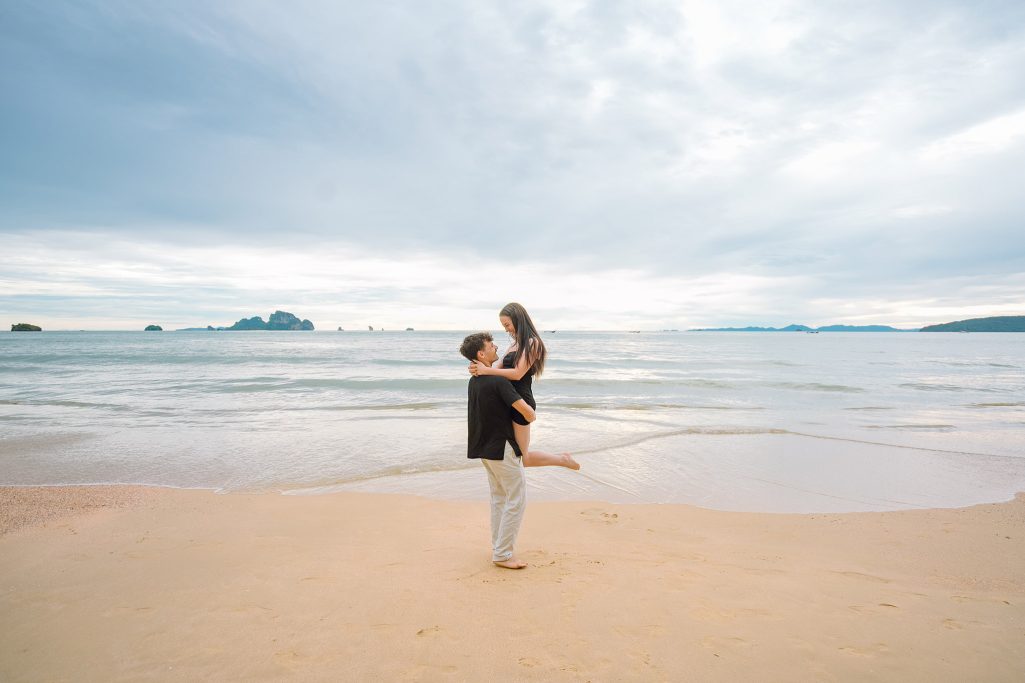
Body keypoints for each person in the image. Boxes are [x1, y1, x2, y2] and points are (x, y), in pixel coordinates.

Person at [469, 303, 579, 470]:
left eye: (507, 325)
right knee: (514, 454)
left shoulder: (533, 343)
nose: (506, 329)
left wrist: (486, 371)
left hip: (521, 403)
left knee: (524, 458)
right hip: (508, 401)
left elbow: (518, 374)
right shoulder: (513, 345)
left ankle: (562, 460)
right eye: (503, 326)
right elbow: (495, 369)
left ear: (518, 319)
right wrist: (477, 368)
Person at [460, 331, 535, 570]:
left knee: (499, 499)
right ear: (481, 354)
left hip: (483, 447)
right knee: (516, 499)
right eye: (491, 345)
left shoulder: (475, 381)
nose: (496, 347)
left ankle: (499, 548)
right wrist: (529, 414)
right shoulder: (498, 382)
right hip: (502, 448)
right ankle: (502, 554)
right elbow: (528, 413)